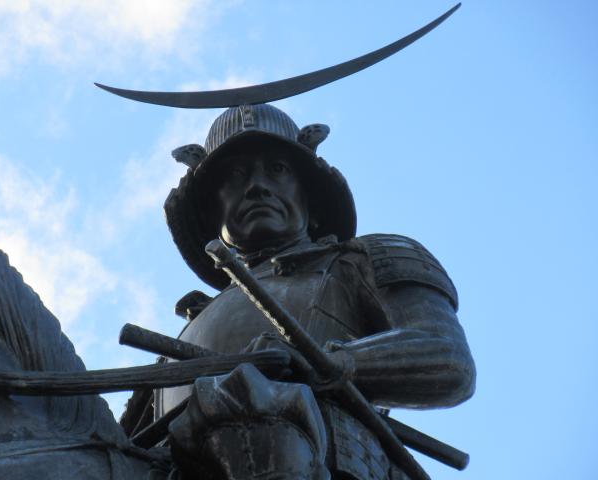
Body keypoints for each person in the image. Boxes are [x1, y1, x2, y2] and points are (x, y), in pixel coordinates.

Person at [158, 103, 476, 480]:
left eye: (278, 169)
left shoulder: (360, 259)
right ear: (213, 210)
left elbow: (447, 358)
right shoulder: (183, 335)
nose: (257, 186)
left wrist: (334, 362)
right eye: (235, 175)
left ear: (308, 194)